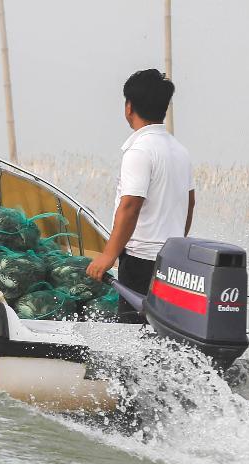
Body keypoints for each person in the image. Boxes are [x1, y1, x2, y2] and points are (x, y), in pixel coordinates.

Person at [85, 69, 195, 323]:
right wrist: (174, 243)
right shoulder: (180, 151)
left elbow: (130, 206)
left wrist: (108, 255)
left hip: (140, 261)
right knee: (160, 330)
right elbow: (189, 205)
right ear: (164, 108)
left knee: (134, 333)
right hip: (171, 259)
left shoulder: (140, 150)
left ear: (129, 107)